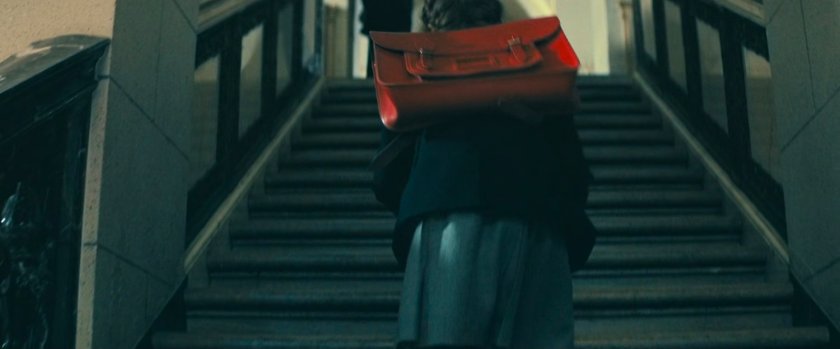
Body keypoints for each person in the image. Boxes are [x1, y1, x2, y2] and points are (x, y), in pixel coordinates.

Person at [371, 0, 596, 348]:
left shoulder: (415, 74)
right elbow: (574, 170)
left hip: (445, 218)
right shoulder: (536, 69)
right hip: (538, 221)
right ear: (495, 17)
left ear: (432, 23)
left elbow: (387, 176)